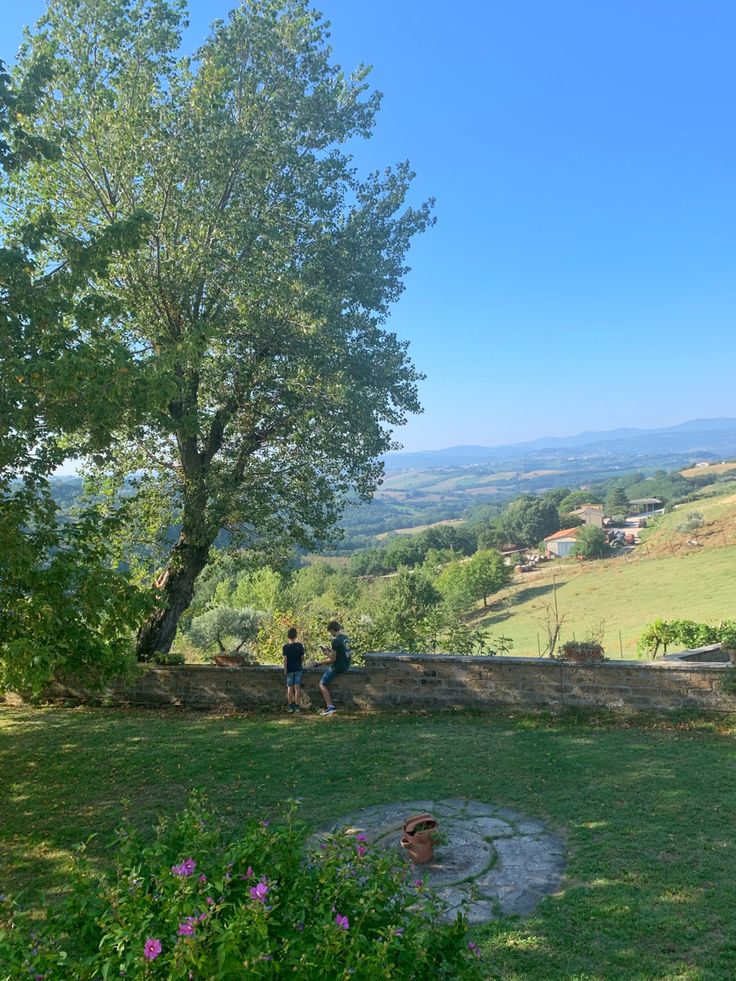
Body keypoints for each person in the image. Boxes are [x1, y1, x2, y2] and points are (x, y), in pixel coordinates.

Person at [317, 620, 351, 716]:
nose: (330, 634)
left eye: (330, 632)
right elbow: (342, 653)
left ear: (332, 630)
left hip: (338, 666)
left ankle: (330, 706)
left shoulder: (335, 641)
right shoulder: (345, 638)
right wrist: (329, 650)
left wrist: (326, 653)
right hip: (346, 664)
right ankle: (330, 707)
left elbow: (332, 659)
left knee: (322, 684)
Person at [283, 627, 305, 714]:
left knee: (290, 687)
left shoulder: (285, 647)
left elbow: (285, 659)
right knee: (297, 687)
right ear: (295, 636)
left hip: (290, 669)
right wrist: (300, 663)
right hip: (298, 668)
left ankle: (290, 705)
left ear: (288, 636)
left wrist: (285, 669)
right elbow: (302, 657)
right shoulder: (299, 646)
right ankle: (297, 705)